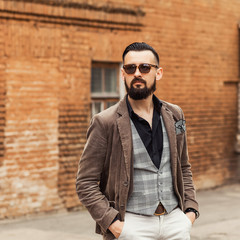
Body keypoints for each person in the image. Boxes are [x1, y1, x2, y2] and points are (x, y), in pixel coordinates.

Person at [76, 42, 199, 240]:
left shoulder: (176, 115)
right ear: (123, 73)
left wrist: (190, 212)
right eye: (130, 68)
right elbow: (85, 182)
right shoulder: (105, 122)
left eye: (144, 67)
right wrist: (114, 225)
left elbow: (183, 166)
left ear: (158, 73)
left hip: (176, 222)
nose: (137, 74)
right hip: (132, 225)